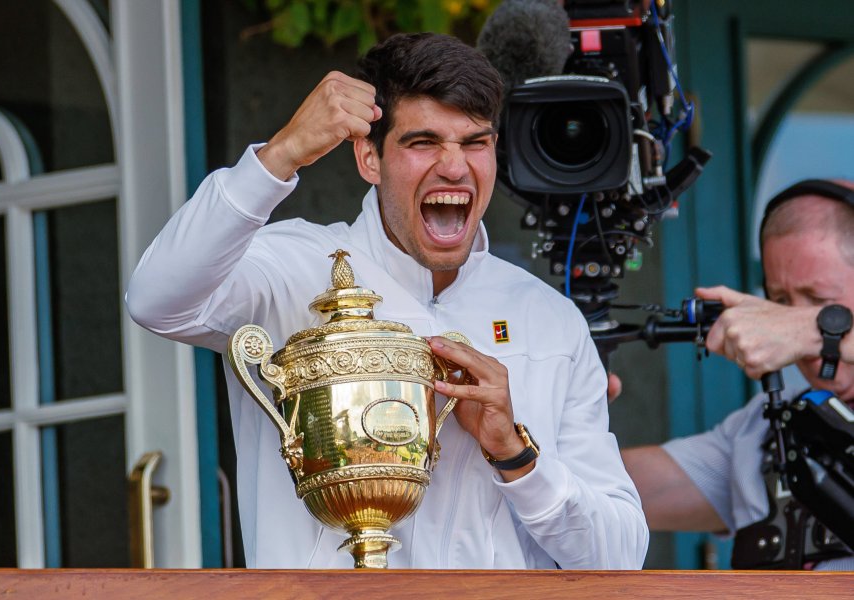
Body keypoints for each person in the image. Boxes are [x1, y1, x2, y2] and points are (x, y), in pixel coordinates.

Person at [126, 33, 647, 569]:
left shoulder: (549, 318)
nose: (454, 166)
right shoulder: (292, 268)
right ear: (369, 157)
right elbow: (157, 300)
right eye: (423, 143)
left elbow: (619, 557)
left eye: (475, 143)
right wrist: (280, 154)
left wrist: (516, 456)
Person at [621, 179, 854, 570]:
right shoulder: (761, 431)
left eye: (820, 301)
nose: (789, 320)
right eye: (779, 301)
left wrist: (814, 332)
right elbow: (610, 485)